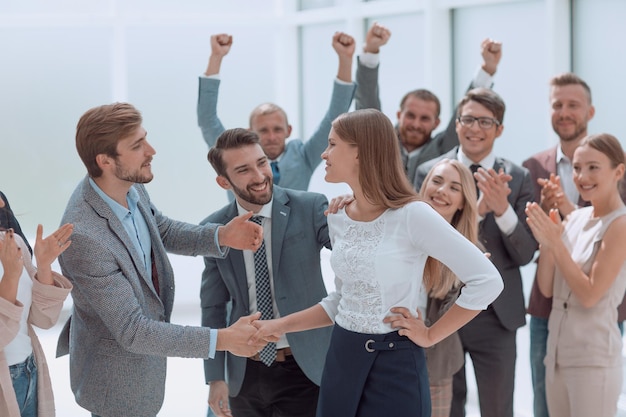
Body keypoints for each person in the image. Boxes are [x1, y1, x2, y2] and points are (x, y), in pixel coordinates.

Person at [251, 108, 503, 417]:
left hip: (395, 366)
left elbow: (487, 281)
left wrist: (430, 334)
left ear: (360, 151)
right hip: (341, 359)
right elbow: (343, 300)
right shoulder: (338, 215)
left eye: (332, 144)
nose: (324, 153)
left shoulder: (413, 215)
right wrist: (281, 325)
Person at [56, 102, 268, 417]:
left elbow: (161, 228)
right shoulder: (86, 237)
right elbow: (133, 330)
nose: (151, 150)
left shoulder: (128, 187)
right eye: (138, 145)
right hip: (116, 386)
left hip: (146, 369)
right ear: (106, 161)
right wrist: (222, 339)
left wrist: (221, 236)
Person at [414, 87, 537, 417]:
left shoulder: (519, 177)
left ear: (499, 129)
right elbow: (418, 238)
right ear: (456, 124)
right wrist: (476, 211)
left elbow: (526, 254)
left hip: (497, 316)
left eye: (486, 121)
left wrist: (503, 211)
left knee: (498, 407)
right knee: (446, 405)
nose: (475, 128)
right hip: (440, 309)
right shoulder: (429, 173)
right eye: (468, 119)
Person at [201, 128, 332, 417]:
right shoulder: (215, 230)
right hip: (244, 373)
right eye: (244, 170)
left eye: (261, 163)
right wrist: (215, 377)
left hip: (306, 367)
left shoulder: (311, 207)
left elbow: (355, 255)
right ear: (224, 181)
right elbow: (213, 306)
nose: (260, 176)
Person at [522, 72, 626, 417]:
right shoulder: (577, 217)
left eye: (593, 167)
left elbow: (591, 294)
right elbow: (547, 286)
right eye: (578, 168)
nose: (581, 177)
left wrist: (556, 243)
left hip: (593, 352)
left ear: (618, 172)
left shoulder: (620, 224)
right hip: (557, 349)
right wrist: (550, 242)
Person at [197, 32, 356, 193]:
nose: (271, 137)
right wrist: (216, 56)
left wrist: (345, 59)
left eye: (278, 129)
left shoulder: (303, 157)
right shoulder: (233, 156)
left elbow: (335, 117)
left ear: (289, 131)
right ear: (250, 132)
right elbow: (207, 120)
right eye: (263, 130)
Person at [355, 22, 502, 182]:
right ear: (399, 114)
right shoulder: (381, 141)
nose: (416, 124)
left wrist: (487, 68)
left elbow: (469, 108)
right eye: (410, 115)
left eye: (425, 118)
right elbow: (367, 103)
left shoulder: (443, 150)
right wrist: (371, 51)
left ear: (436, 123)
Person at [419, 159, 479, 417]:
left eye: (454, 187)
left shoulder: (468, 252)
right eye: (437, 181)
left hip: (437, 364)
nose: (442, 191)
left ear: (463, 201)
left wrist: (467, 284)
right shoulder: (400, 228)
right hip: (389, 359)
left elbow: (449, 318)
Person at [1, 222, 73, 417]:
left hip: (30, 370)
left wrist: (43, 267)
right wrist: (10, 278)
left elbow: (42, 319)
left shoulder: (12, 242)